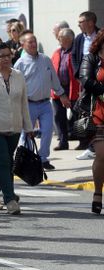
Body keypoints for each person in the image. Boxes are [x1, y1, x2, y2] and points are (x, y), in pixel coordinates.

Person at [14, 30, 71, 171]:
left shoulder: (45, 59)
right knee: (26, 134)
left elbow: (54, 79)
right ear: (22, 45)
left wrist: (62, 95)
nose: (34, 44)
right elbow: (15, 85)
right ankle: (24, 161)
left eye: (35, 41)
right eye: (30, 42)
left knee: (47, 131)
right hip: (28, 104)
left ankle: (43, 159)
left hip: (46, 103)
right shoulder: (19, 64)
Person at [0, 42, 33, 214]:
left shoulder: (18, 75)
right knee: (4, 161)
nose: (7, 59)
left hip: (14, 127)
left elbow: (23, 102)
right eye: (2, 56)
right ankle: (10, 199)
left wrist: (28, 127)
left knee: (4, 161)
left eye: (9, 55)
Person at [78, 29, 104, 214]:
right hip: (98, 113)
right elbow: (85, 79)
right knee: (102, 155)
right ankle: (97, 193)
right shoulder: (92, 58)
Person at [72, 11, 100, 156]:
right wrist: (79, 76)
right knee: (85, 110)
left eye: (81, 21)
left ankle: (94, 146)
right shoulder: (78, 39)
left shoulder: (100, 35)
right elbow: (74, 57)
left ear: (91, 22)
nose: (78, 24)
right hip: (85, 81)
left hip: (99, 79)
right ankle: (89, 145)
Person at [51, 28, 80, 151]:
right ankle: (63, 142)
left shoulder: (76, 51)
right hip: (59, 88)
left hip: (73, 87)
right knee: (59, 116)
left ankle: (83, 141)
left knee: (78, 115)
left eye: (60, 38)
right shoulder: (57, 52)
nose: (58, 40)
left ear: (69, 39)